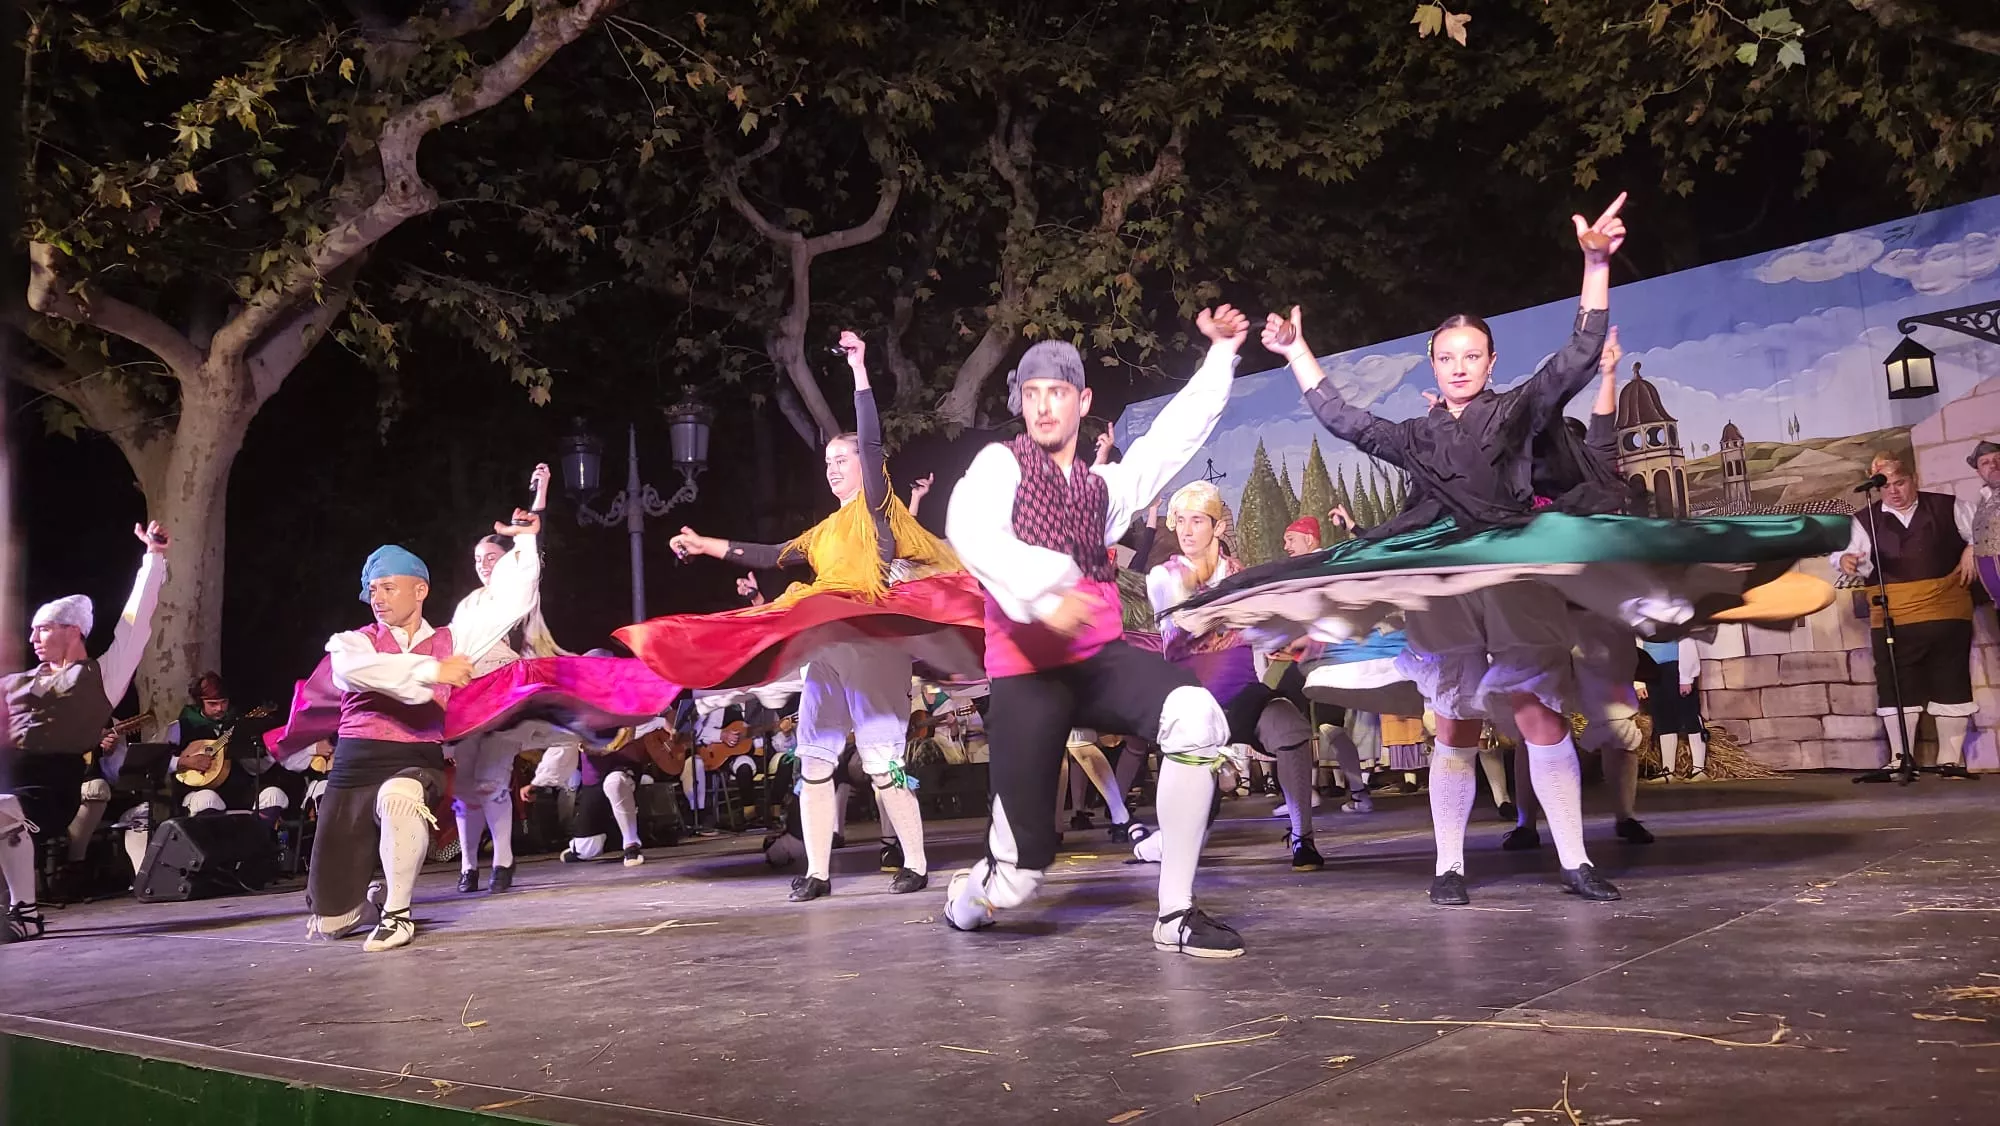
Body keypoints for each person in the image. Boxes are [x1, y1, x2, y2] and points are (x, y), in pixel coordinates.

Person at [624, 330, 984, 900]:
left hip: (872, 644)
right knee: (813, 760)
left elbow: (870, 444)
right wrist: (704, 544)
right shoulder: (822, 532)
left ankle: (913, 860)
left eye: (842, 459)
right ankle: (817, 871)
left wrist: (861, 371)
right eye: (828, 462)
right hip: (825, 648)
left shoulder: (877, 507)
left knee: (882, 758)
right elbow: (770, 555)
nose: (834, 468)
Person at [943, 304, 1250, 957]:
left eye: (1057, 393)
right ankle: (971, 896)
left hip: (1099, 660)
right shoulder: (1002, 467)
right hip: (1028, 672)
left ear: (1082, 402)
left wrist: (1220, 356)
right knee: (1021, 878)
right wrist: (1045, 590)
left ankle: (1176, 913)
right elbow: (969, 529)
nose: (1044, 407)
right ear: (1021, 404)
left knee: (1194, 716)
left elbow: (1169, 442)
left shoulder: (1101, 489)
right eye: (1032, 395)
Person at [304, 510, 541, 954]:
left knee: (401, 798)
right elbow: (355, 672)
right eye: (373, 590)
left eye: (388, 587)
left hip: (415, 759)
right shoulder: (352, 642)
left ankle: (397, 913)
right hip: (354, 766)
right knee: (333, 921)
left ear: (420, 590)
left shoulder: (457, 637)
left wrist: (526, 545)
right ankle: (371, 905)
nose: (378, 597)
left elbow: (510, 602)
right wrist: (433, 669)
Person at [2, 522, 168, 941]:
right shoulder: (16, 681)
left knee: (3, 809)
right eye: (34, 629)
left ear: (72, 629)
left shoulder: (102, 676)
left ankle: (26, 912)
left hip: (48, 789)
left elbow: (136, 620)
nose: (33, 636)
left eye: (43, 628)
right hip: (6, 779)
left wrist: (153, 558)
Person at [1147, 481, 1324, 870]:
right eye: (1180, 522)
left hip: (1241, 698)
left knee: (1290, 728)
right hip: (1193, 707)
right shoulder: (1165, 576)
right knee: (1187, 837)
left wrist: (1294, 636)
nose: (1187, 530)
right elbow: (1184, 624)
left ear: (1218, 527)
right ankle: (1154, 845)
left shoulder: (1241, 576)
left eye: (1197, 521)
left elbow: (1261, 629)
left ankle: (1302, 839)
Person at [1833, 451, 1978, 775]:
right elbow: (1846, 554)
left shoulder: (1947, 507)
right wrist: (1846, 561)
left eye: (1900, 483)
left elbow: (1985, 530)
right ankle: (1901, 758)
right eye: (1886, 486)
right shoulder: (1864, 520)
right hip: (1893, 619)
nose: (1894, 491)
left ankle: (1951, 760)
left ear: (1914, 479)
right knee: (1896, 684)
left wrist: (1972, 548)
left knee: (1951, 680)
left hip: (1947, 614)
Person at [447, 463, 555, 895]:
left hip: (506, 695)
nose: (483, 565)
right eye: (477, 560)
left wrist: (539, 496)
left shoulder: (518, 590)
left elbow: (529, 546)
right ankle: (469, 866)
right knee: (466, 784)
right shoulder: (468, 604)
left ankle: (503, 862)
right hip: (469, 700)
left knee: (492, 778)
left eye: (491, 557)